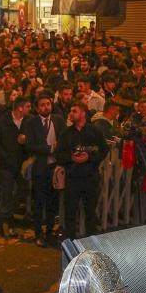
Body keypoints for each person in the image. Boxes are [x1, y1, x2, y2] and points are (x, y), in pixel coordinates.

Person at [56, 101, 109, 239]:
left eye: (74, 111)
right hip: (72, 178)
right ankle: (70, 241)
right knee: (70, 212)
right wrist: (71, 158)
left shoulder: (94, 131)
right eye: (70, 111)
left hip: (90, 177)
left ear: (83, 113)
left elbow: (104, 150)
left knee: (90, 211)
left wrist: (89, 157)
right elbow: (58, 154)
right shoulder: (66, 133)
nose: (70, 114)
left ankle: (90, 241)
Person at [0, 96, 31, 238]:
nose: (30, 109)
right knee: (7, 193)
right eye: (27, 107)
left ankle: (1, 216)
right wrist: (6, 156)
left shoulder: (29, 121)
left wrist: (25, 141)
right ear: (20, 108)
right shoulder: (3, 122)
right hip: (6, 165)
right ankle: (8, 223)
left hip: (22, 164)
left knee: (24, 190)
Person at [22, 93, 62, 246]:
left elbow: (64, 138)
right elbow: (29, 145)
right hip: (40, 168)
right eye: (43, 105)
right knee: (39, 202)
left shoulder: (58, 120)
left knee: (53, 202)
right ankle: (38, 233)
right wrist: (49, 148)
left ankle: (50, 232)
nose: (46, 107)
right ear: (37, 108)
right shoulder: (31, 123)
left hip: (55, 168)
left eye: (48, 104)